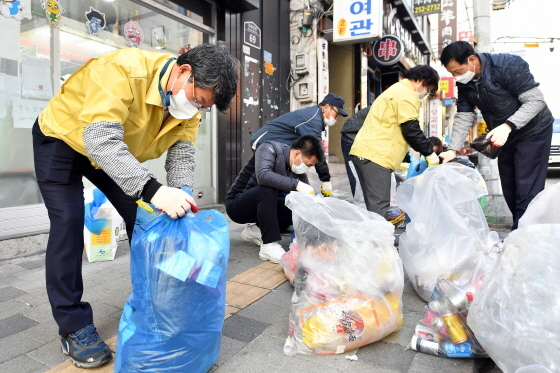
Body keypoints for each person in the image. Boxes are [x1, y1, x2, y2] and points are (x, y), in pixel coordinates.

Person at [32, 44, 238, 368]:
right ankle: (73, 327)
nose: (197, 108)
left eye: (204, 107)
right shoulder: (124, 69)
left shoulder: (187, 108)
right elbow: (99, 138)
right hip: (64, 139)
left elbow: (182, 155)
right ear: (184, 72)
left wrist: (179, 200)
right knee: (68, 224)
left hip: (111, 154)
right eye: (198, 99)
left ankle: (160, 305)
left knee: (149, 219)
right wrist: (154, 190)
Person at [439, 41, 553, 229]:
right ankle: (523, 230)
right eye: (452, 73)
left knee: (527, 187)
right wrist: (452, 149)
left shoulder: (508, 65)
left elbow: (535, 100)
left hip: (533, 131)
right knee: (509, 187)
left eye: (458, 71)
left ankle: (521, 237)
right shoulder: (466, 83)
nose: (456, 77)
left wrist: (508, 125)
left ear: (472, 59)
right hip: (504, 136)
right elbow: (464, 115)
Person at [240, 93, 348, 246]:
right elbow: (316, 153)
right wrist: (325, 180)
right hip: (264, 143)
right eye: (336, 113)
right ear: (325, 107)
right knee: (271, 185)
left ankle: (279, 223)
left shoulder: (315, 118)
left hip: (280, 147)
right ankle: (256, 227)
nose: (336, 118)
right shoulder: (313, 118)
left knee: (288, 187)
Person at [349, 65, 440, 218]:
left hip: (367, 153)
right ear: (420, 81)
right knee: (379, 210)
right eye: (428, 88)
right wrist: (429, 153)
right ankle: (381, 242)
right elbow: (411, 129)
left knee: (374, 209)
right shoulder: (406, 94)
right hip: (376, 155)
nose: (426, 94)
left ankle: (375, 241)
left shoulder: (396, 90)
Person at [226, 135, 324, 263]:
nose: (307, 168)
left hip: (263, 206)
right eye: (307, 164)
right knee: (268, 189)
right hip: (238, 206)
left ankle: (256, 230)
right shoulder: (269, 148)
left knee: (298, 205)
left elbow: (305, 200)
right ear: (297, 154)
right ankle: (269, 245)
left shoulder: (297, 169)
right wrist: (296, 184)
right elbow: (263, 175)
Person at [340, 105, 370, 196]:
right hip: (351, 138)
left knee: (361, 172)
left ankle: (364, 201)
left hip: (356, 137)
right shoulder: (381, 108)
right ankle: (359, 201)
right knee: (354, 172)